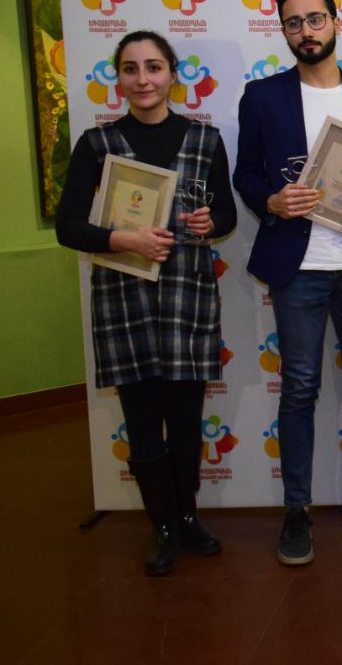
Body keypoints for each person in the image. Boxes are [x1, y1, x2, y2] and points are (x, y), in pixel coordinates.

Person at [233, 0, 342, 566]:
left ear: (336, 21)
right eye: (293, 23)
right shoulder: (262, 96)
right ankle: (296, 510)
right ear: (283, 31)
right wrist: (271, 200)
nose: (305, 31)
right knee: (300, 388)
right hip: (298, 266)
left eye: (314, 19)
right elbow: (245, 174)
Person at [56, 30, 236, 575]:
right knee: (140, 420)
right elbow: (68, 226)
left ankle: (187, 518)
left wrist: (209, 222)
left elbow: (226, 216)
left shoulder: (205, 140)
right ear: (118, 79)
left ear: (172, 75)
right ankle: (161, 527)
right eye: (131, 69)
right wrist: (124, 239)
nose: (143, 79)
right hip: (122, 299)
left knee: (185, 421)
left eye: (153, 67)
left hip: (187, 298)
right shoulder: (96, 144)